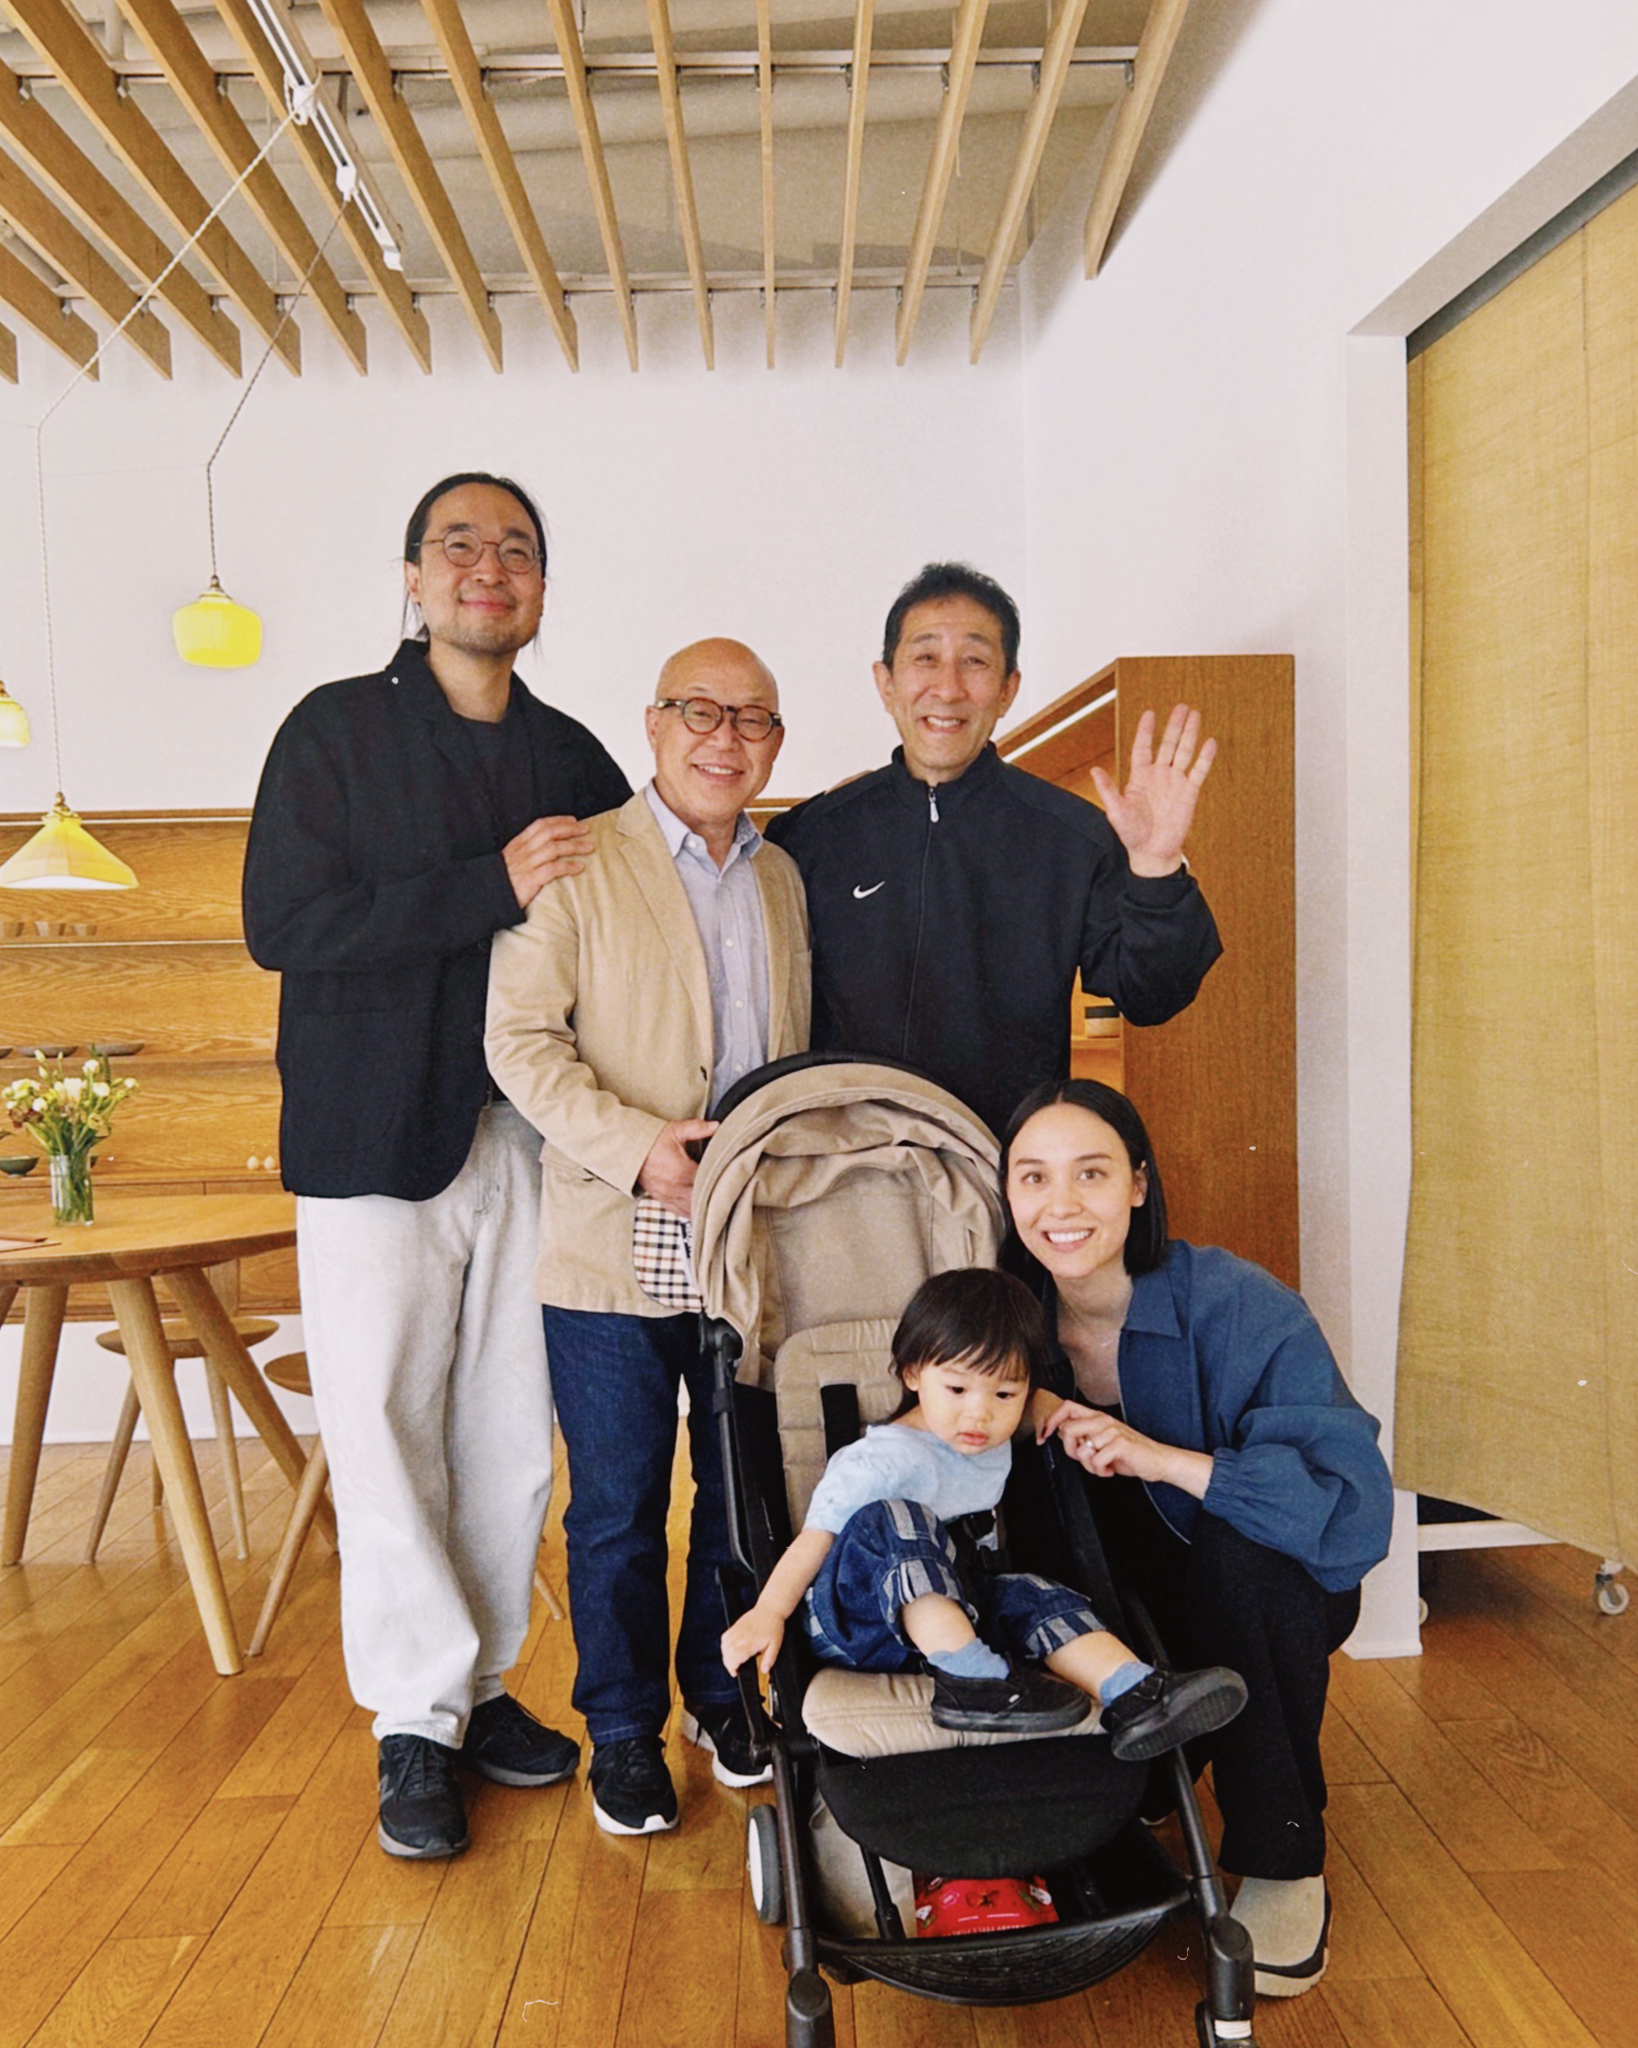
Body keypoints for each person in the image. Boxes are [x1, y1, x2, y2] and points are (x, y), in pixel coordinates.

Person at [243, 472, 631, 1861]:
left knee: (505, 1435)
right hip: (365, 1143)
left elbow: (621, 939)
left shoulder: (577, 755)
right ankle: (413, 1720)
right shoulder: (333, 732)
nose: (489, 567)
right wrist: (488, 883)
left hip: (535, 1140)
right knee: (383, 1429)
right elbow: (282, 925)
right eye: (460, 545)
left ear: (539, 588)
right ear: (410, 578)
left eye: (517, 549)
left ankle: (476, 1691)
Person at [485, 638, 810, 1837]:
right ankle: (619, 1730)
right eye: (700, 711)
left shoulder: (782, 876)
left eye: (754, 718)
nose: (725, 736)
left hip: (747, 1237)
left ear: (777, 740)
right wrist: (637, 1147)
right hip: (611, 1231)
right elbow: (520, 1042)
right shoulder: (581, 857)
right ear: (653, 723)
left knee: (740, 1496)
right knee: (618, 1501)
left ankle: (722, 1695)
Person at [1002, 1078, 1394, 1997]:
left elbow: (1350, 1516)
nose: (1060, 1206)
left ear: (1138, 1185)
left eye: (1090, 1174)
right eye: (1032, 1178)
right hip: (1104, 1621)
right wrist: (1020, 1403)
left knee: (1244, 1555)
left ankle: (1284, 1857)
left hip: (1260, 1595)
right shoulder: (999, 1318)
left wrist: (1166, 1460)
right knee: (1115, 1811)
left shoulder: (1240, 1305)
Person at [766, 562, 1223, 1137]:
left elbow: (1151, 995)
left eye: (975, 661)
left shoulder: (1072, 839)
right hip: (835, 1179)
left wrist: (1156, 869)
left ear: (1008, 689)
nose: (949, 687)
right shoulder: (811, 837)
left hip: (997, 1175)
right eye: (925, 657)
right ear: (886, 682)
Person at [720, 1267, 1247, 1761]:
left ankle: (1136, 1692)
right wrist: (767, 1613)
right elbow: (815, 1541)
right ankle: (976, 1683)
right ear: (911, 1375)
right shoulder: (879, 1460)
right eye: (956, 1389)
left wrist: (1060, 1419)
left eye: (1003, 1393)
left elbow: (1034, 1401)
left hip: (954, 1612)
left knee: (1030, 1593)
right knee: (899, 1521)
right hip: (856, 1619)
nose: (980, 1413)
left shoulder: (990, 1431)